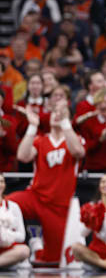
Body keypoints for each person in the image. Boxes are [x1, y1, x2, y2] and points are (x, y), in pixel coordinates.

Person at [10, 87, 85, 263]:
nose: (56, 115)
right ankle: (9, 247)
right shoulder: (41, 140)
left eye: (61, 113)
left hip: (59, 205)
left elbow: (78, 152)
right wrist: (32, 126)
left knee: (52, 260)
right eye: (54, 113)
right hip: (35, 196)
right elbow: (22, 155)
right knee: (6, 205)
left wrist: (65, 122)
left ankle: (37, 245)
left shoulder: (76, 139)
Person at [0, 173, 31, 269]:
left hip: (9, 249)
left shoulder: (13, 207)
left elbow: (21, 236)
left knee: (24, 250)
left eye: (1, 181)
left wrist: (5, 235)